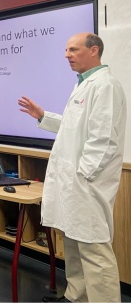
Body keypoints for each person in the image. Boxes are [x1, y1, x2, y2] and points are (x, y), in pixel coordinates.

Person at [18, 32, 126, 303]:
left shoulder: (105, 86)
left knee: (94, 251)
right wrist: (43, 116)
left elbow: (104, 139)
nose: (67, 55)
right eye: (66, 50)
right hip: (74, 185)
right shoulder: (83, 84)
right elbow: (72, 126)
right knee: (75, 245)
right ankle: (76, 296)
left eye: (73, 49)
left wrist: (83, 177)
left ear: (94, 50)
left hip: (86, 185)